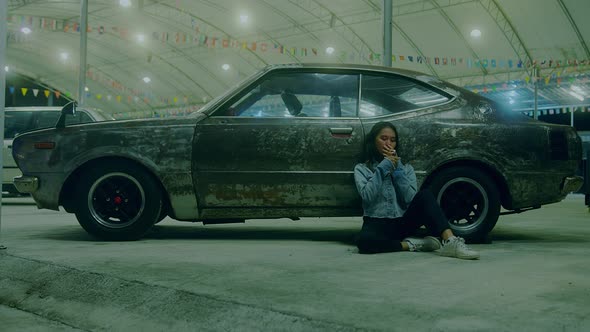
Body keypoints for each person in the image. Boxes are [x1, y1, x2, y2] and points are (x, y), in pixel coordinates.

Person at [353, 121, 479, 260]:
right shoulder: (362, 169)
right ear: (373, 141)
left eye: (393, 140)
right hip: (376, 223)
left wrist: (396, 169)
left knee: (425, 195)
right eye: (383, 139)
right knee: (363, 242)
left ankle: (450, 241)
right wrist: (383, 167)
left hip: (402, 222)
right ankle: (414, 244)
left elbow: (410, 199)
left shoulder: (406, 169)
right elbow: (367, 196)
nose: (388, 143)